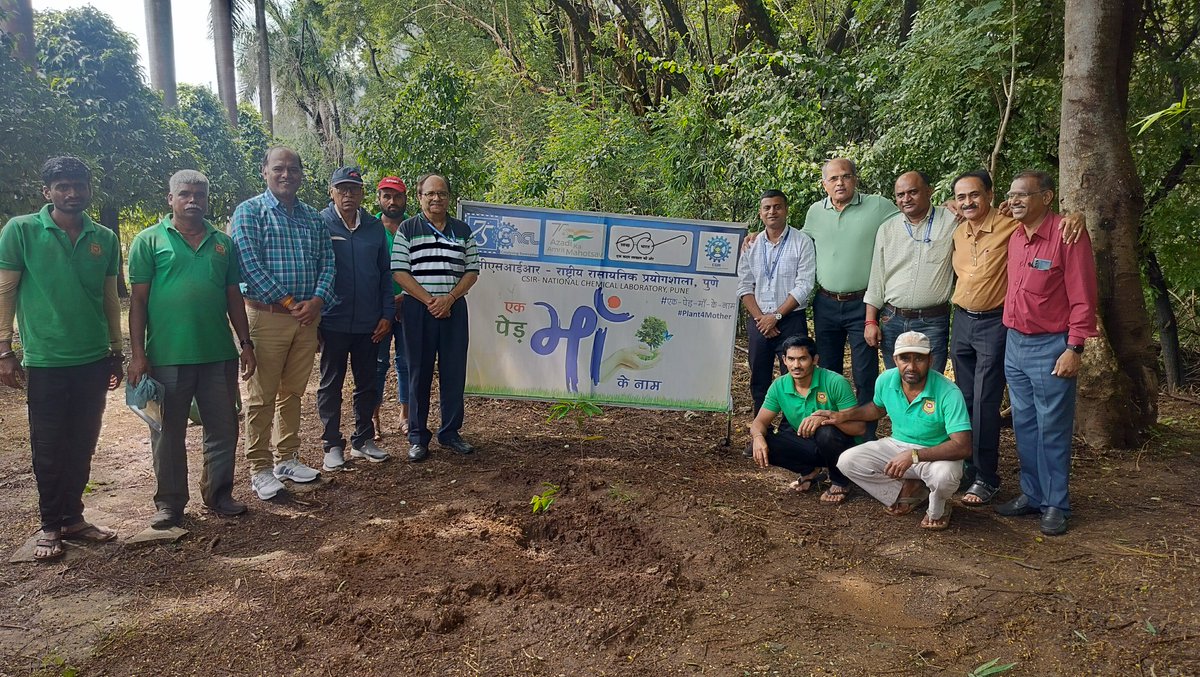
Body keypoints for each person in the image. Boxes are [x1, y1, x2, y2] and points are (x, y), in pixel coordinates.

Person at [0, 156, 123, 560]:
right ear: (47, 192)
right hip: (45, 360)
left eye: (78, 185)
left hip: (92, 358)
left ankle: (74, 517)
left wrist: (116, 350)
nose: (72, 193)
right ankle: (50, 525)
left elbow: (108, 297)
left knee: (84, 441)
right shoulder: (21, 231)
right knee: (49, 445)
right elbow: (6, 293)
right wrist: (4, 350)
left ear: (89, 189)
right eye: (63, 186)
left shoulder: (103, 237)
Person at [127, 170, 256, 528]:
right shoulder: (149, 241)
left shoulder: (222, 243)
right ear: (170, 199)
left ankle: (219, 494)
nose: (193, 200)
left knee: (224, 426)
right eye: (184, 194)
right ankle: (169, 503)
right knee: (167, 433)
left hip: (218, 355)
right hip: (166, 357)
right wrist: (138, 355)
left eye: (199, 194)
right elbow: (138, 301)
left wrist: (246, 343)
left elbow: (233, 295)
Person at [231, 146, 338, 500]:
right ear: (265, 171)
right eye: (279, 168)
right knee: (261, 395)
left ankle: (287, 458)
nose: (286, 174)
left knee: (292, 392)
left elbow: (328, 263)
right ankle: (259, 467)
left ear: (301, 174)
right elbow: (249, 265)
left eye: (293, 169)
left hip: (307, 319)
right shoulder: (249, 212)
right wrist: (292, 302)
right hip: (267, 317)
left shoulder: (313, 218)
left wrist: (317, 300)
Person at [994, 171, 1097, 536]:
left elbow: (1084, 296)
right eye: (1012, 194)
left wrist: (1075, 347)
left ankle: (1056, 504)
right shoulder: (1016, 236)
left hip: (1052, 345)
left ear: (1048, 197)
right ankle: (1032, 495)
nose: (1016, 200)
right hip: (1015, 343)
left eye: (1025, 194)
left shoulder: (1068, 235)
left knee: (1052, 428)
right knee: (1024, 425)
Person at [822, 332, 972, 530]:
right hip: (898, 445)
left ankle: (939, 508)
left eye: (919, 358)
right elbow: (877, 409)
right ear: (895, 359)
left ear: (930, 359)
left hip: (936, 452)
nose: (911, 366)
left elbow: (963, 447)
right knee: (847, 461)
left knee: (945, 477)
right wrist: (845, 416)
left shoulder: (948, 392)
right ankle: (907, 490)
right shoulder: (886, 380)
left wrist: (914, 455)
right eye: (904, 358)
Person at [803, 158, 899, 439]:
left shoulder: (877, 206)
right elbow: (797, 243)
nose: (840, 183)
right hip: (826, 303)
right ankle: (833, 432)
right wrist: (760, 237)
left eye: (845, 177)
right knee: (828, 371)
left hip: (863, 303)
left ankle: (865, 436)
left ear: (855, 179)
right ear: (824, 184)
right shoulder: (815, 213)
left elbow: (913, 215)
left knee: (864, 372)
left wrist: (948, 209)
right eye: (833, 179)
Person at [391, 173, 479, 461]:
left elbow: (472, 271)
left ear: (448, 197)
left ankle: (450, 432)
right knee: (419, 372)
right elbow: (400, 272)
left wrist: (450, 298)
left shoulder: (463, 230)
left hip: (454, 308)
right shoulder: (407, 229)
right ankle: (417, 437)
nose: (436, 198)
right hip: (419, 309)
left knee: (454, 372)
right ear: (420, 197)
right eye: (430, 193)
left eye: (441, 193)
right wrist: (430, 300)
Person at [316, 166, 393, 471]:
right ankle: (332, 444)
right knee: (330, 384)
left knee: (367, 382)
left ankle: (363, 440)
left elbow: (385, 274)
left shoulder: (374, 227)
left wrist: (387, 313)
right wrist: (316, 318)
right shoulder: (320, 223)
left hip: (369, 323)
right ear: (331, 192)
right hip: (332, 320)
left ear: (362, 193)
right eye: (342, 189)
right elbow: (314, 270)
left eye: (354, 189)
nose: (348, 195)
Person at [748, 336, 863, 504]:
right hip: (811, 445)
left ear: (814, 359)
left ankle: (840, 481)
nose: (796, 365)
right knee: (757, 445)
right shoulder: (779, 385)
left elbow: (860, 428)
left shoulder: (835, 382)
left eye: (802, 359)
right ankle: (810, 470)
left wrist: (826, 418)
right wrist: (758, 437)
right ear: (784, 360)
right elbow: (758, 423)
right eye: (791, 359)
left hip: (845, 449)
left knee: (825, 431)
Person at [864, 171, 957, 373]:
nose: (906, 199)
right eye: (900, 194)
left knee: (932, 384)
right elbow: (876, 279)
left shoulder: (951, 220)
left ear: (929, 191)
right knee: (897, 382)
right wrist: (870, 321)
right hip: (892, 320)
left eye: (913, 192)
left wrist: (955, 202)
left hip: (932, 321)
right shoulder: (887, 229)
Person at [735, 189, 816, 416]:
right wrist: (762, 319)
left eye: (777, 207)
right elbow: (744, 285)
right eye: (767, 208)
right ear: (760, 213)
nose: (772, 211)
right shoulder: (751, 245)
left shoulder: (802, 242)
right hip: (759, 321)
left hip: (790, 321)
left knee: (795, 380)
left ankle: (791, 433)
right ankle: (761, 433)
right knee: (758, 380)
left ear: (786, 210)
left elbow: (804, 285)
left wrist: (776, 317)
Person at [372, 176, 411, 441]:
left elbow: (423, 267)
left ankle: (405, 415)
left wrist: (406, 295)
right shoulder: (369, 228)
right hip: (378, 309)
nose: (392, 201)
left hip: (411, 305)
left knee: (407, 362)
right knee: (376, 363)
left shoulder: (415, 227)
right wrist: (387, 302)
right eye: (387, 196)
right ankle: (373, 418)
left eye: (397, 196)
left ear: (405, 199)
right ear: (379, 198)